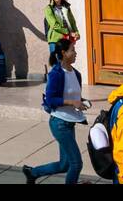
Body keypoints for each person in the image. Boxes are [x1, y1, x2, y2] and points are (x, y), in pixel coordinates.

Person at [23, 38, 87, 184]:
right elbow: (50, 100)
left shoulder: (76, 74)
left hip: (70, 122)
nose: (75, 53)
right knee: (76, 164)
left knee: (64, 165)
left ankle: (32, 173)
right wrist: (72, 102)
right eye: (72, 50)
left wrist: (81, 101)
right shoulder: (56, 74)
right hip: (59, 123)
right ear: (64, 53)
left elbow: (72, 95)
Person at [44, 0, 78, 69]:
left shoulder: (66, 7)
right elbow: (54, 25)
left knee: (66, 63)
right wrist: (69, 33)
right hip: (55, 39)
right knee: (57, 64)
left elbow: (72, 22)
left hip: (67, 39)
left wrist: (76, 32)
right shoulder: (48, 9)